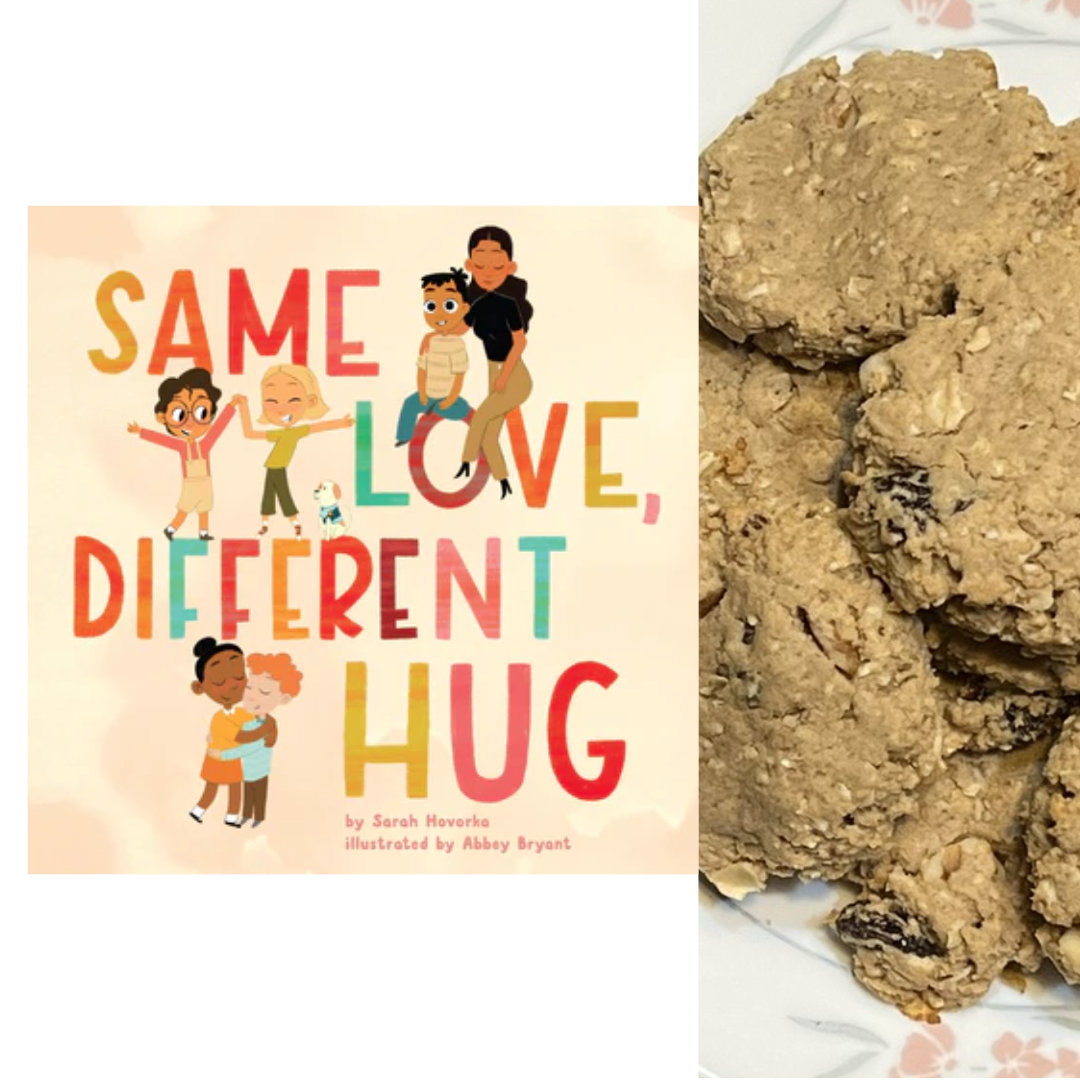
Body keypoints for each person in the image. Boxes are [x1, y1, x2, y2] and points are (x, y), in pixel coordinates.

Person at [437, 226, 533, 499]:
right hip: (494, 369)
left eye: (497, 265)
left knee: (480, 417)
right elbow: (459, 330)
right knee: (490, 435)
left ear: (510, 267)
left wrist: (504, 377)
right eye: (479, 265)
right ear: (470, 265)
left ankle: (465, 462)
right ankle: (502, 480)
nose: (488, 272)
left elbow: (520, 342)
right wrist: (436, 332)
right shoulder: (477, 304)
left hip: (515, 375)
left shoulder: (509, 305)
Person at [233, 364, 354, 537]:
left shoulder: (296, 432)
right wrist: (243, 407)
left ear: (310, 401)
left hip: (278, 468)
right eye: (271, 402)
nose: (281, 408)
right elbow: (249, 433)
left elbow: (317, 427)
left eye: (293, 400)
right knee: (270, 495)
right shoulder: (278, 433)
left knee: (283, 496)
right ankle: (267, 524)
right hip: (272, 468)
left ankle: (295, 524)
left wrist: (340, 424)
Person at [127, 368, 236, 541]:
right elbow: (161, 439)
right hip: (190, 484)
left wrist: (231, 406)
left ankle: (203, 533)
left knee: (204, 508)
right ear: (163, 417)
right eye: (180, 414)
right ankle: (170, 529)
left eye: (201, 413)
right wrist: (141, 431)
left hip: (205, 482)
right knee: (184, 509)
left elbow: (219, 427)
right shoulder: (181, 447)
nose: (191, 422)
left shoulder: (205, 445)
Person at [207, 652, 302, 827]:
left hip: (260, 770)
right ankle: (246, 816)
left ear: (284, 699)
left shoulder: (267, 726)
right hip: (245, 770)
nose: (251, 696)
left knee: (258, 795)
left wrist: (223, 755)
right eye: (249, 687)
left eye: (264, 691)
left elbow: (249, 746)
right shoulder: (246, 718)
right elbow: (232, 732)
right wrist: (215, 736)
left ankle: (258, 817)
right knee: (247, 795)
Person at [188, 637, 266, 826]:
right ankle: (198, 811)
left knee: (234, 789)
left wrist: (261, 720)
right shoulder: (220, 719)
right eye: (220, 680)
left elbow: (251, 721)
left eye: (239, 676)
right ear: (200, 688)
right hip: (218, 758)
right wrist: (261, 733)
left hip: (232, 759)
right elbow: (243, 736)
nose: (233, 685)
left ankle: (231, 817)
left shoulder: (240, 713)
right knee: (211, 788)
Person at [394, 268, 472, 446]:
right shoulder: (429, 341)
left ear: (464, 308)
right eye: (430, 306)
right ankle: (404, 436)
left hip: (447, 398)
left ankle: (440, 413)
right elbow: (422, 369)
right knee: (409, 404)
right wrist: (421, 392)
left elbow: (459, 375)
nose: (438, 314)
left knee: (463, 409)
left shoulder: (458, 345)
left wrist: (451, 398)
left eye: (449, 305)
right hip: (427, 395)